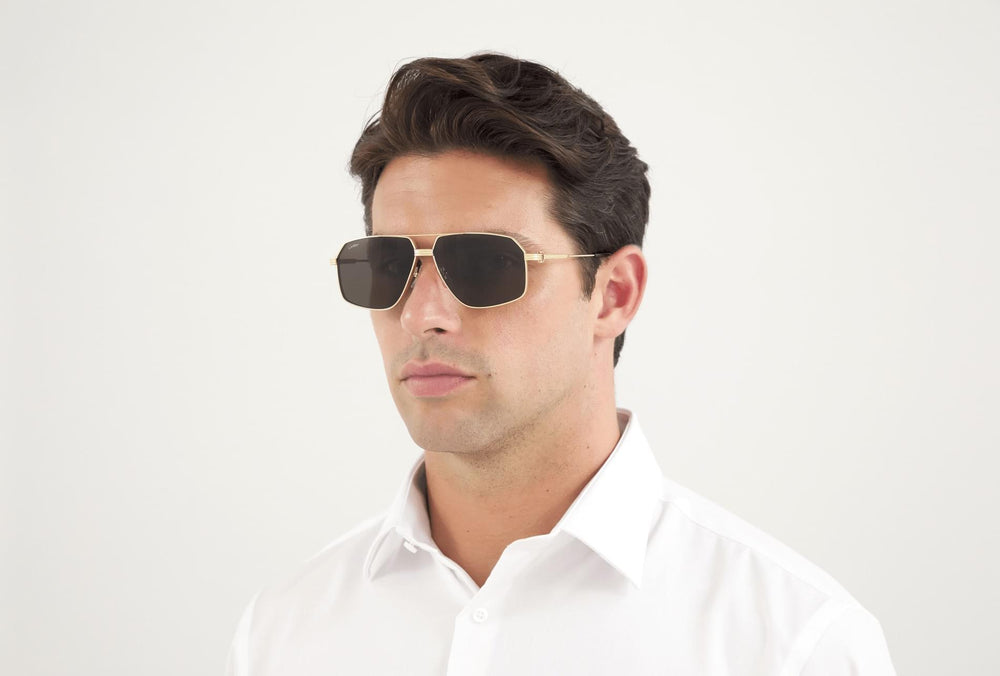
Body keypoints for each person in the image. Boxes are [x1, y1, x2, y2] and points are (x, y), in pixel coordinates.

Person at [226, 53, 896, 675]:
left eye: (486, 263)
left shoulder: (792, 645)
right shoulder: (284, 636)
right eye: (386, 264)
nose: (422, 314)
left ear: (614, 294)